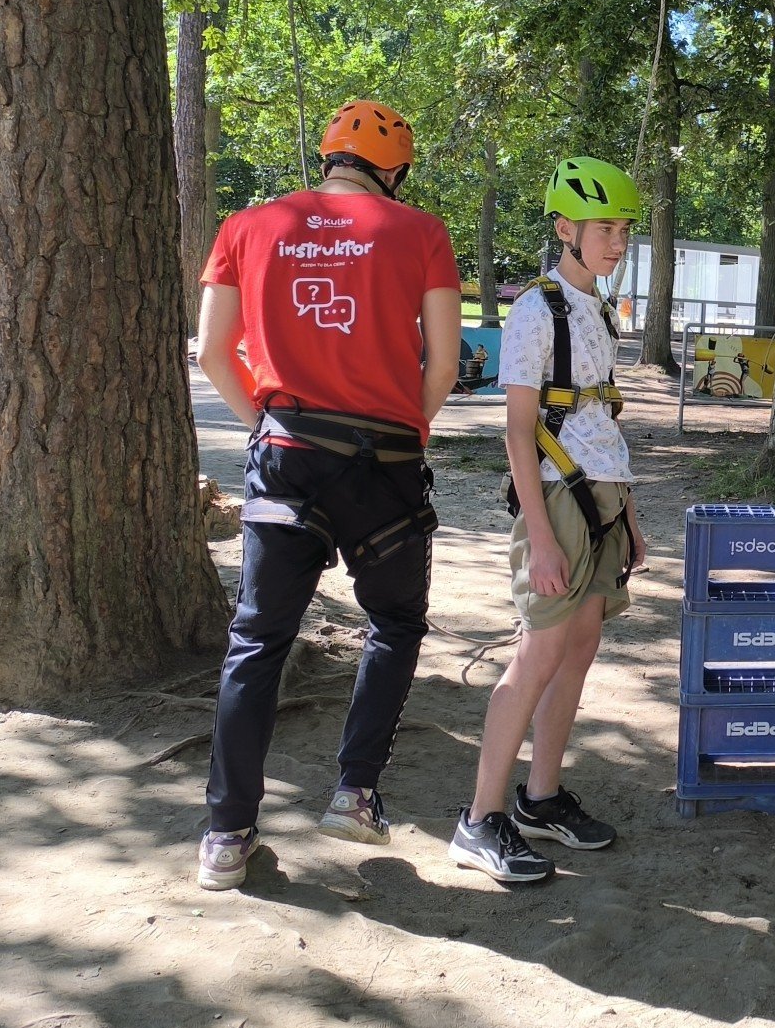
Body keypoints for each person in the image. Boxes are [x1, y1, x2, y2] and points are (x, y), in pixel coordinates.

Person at [195, 100, 462, 891]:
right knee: (395, 622)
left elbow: (212, 352)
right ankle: (355, 792)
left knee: (257, 640)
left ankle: (225, 834)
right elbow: (443, 364)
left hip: (286, 454)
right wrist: (407, 432)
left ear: (329, 158)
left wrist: (264, 426)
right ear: (394, 170)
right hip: (384, 463)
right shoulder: (421, 231)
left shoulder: (247, 226)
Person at [449, 157, 649, 884]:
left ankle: (540, 798)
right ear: (566, 229)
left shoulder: (599, 309)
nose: (617, 241)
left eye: (624, 229)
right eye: (604, 228)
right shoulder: (540, 310)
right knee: (538, 653)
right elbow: (518, 430)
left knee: (579, 648)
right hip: (558, 502)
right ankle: (479, 820)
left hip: (603, 498)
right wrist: (539, 537)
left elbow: (602, 419)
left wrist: (629, 516)